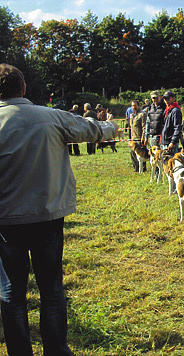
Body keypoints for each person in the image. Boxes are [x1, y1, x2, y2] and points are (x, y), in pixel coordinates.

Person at [0, 63, 118, 356]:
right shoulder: (50, 116)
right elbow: (92, 130)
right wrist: (112, 125)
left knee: (13, 293)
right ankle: (56, 349)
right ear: (24, 88)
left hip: (6, 222)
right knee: (51, 288)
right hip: (47, 217)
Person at [129, 100, 147, 172]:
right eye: (132, 105)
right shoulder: (132, 115)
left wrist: (143, 137)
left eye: (135, 105)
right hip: (133, 137)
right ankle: (136, 167)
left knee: (141, 153)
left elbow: (144, 126)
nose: (134, 107)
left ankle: (143, 168)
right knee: (132, 153)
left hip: (139, 137)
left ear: (138, 106)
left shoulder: (142, 114)